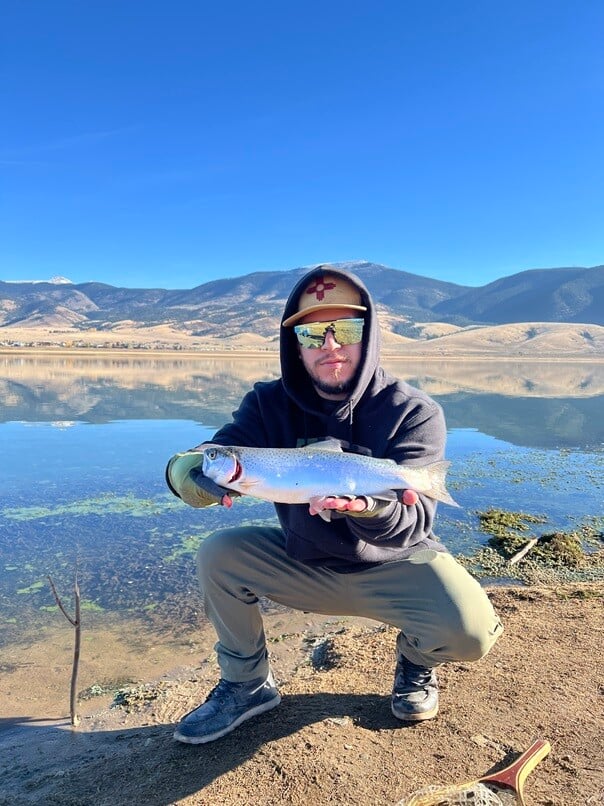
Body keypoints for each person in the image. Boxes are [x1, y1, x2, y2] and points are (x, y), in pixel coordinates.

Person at [165, 265, 503, 745]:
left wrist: (368, 509)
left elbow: (414, 525)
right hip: (304, 560)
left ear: (369, 336)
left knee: (471, 632)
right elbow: (208, 454)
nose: (330, 345)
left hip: (395, 564)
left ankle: (415, 661)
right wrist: (189, 473)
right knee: (217, 555)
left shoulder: (414, 411)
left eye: (345, 329)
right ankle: (247, 686)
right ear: (294, 343)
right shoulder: (266, 404)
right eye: (311, 332)